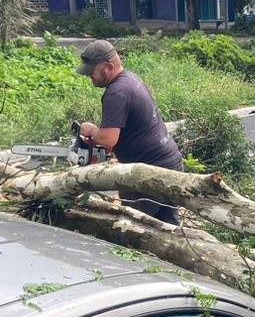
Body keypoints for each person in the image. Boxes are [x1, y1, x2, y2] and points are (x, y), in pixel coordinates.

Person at [76, 39, 184, 225]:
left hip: (147, 174)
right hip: (169, 163)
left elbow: (108, 140)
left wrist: (92, 130)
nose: (89, 76)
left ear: (108, 67)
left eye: (91, 71)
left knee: (132, 230)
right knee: (169, 232)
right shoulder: (130, 79)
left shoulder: (116, 93)